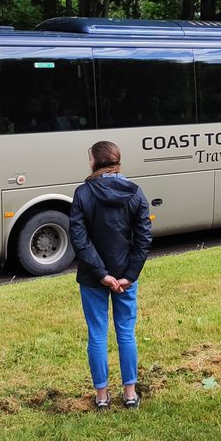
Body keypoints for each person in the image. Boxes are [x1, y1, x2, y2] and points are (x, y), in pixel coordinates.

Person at [69, 141, 153, 410]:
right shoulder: (136, 193)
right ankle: (130, 393)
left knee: (97, 333)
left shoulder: (82, 193)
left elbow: (79, 241)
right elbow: (143, 239)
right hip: (125, 275)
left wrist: (102, 274)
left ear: (95, 162)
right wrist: (128, 275)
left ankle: (102, 396)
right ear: (117, 161)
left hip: (93, 277)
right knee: (126, 333)